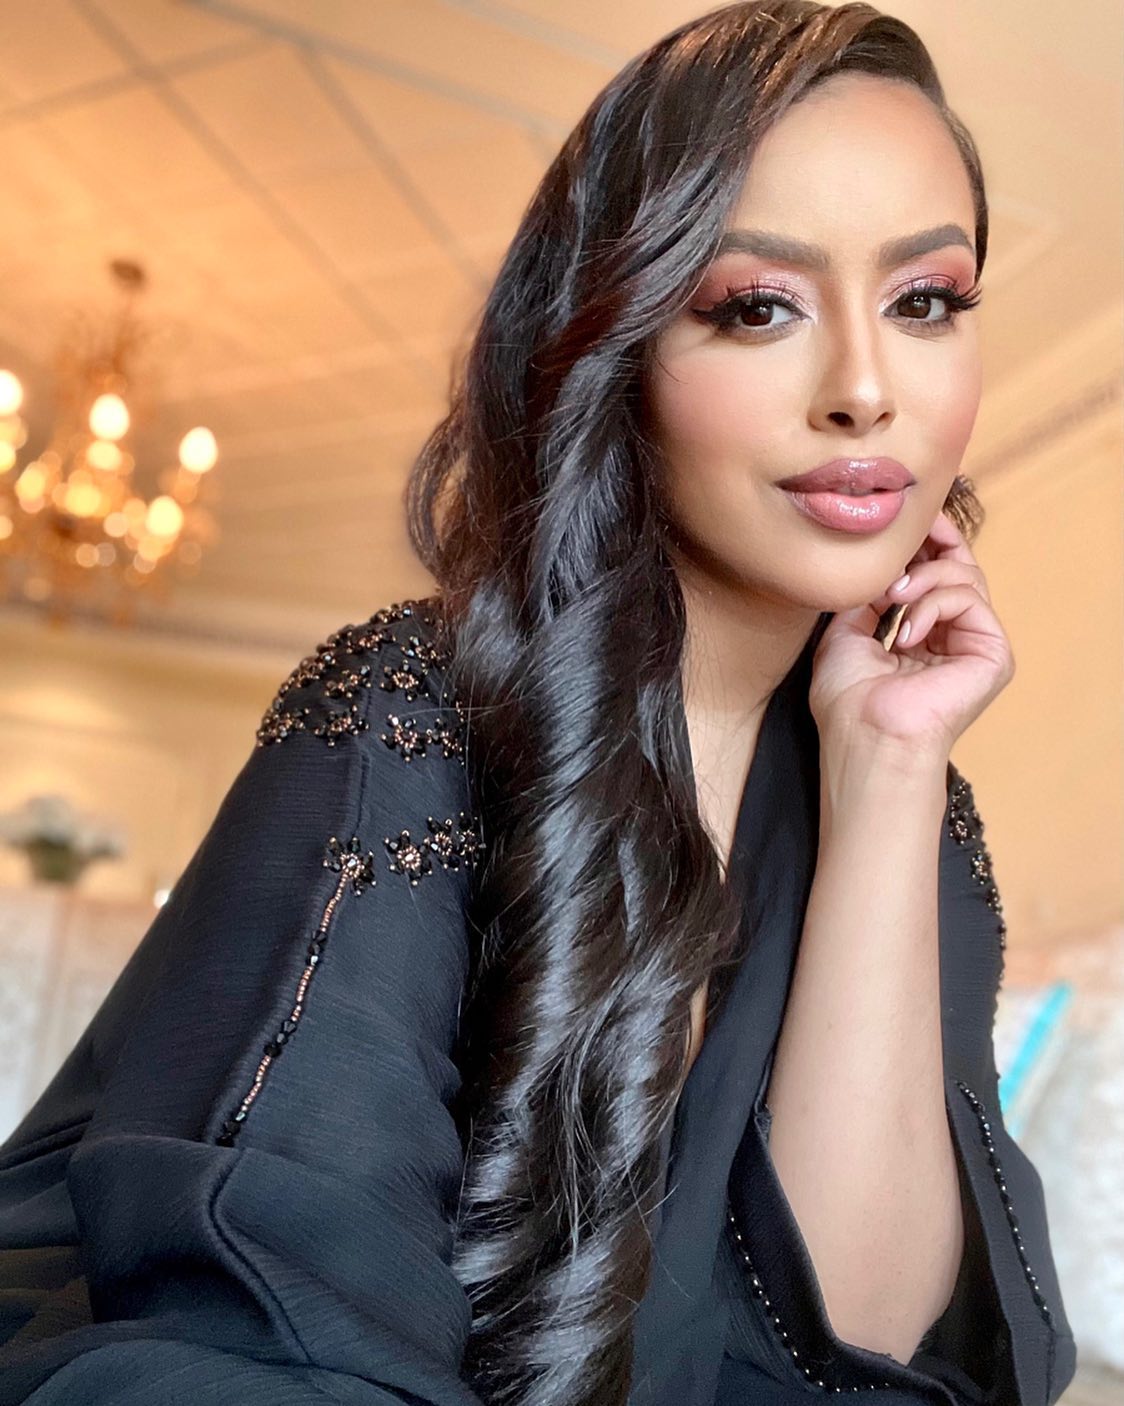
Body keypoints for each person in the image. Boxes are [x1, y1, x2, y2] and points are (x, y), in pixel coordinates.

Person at [0, 2, 1077, 1404]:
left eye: (925, 300)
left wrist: (887, 766)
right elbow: (262, 1320)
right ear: (612, 348)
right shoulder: (409, 719)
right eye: (757, 306)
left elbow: (846, 1349)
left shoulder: (913, 809)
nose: (865, 390)